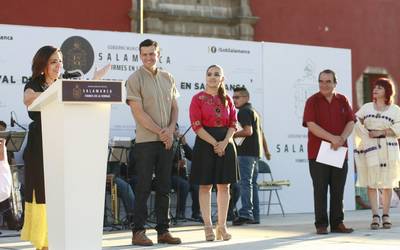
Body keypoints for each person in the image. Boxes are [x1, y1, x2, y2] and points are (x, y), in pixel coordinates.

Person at [20, 45, 109, 250]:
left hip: (65, 146)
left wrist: (94, 82)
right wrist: (56, 90)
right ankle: (44, 243)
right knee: (44, 192)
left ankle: (63, 238)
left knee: (63, 192)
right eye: (53, 61)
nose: (58, 65)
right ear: (43, 65)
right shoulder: (34, 83)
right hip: (40, 146)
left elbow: (81, 102)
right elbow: (28, 99)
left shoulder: (65, 83)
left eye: (60, 61)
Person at [126, 39, 181, 246]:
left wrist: (170, 130)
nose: (149, 57)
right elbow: (138, 113)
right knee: (143, 187)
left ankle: (163, 231)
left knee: (165, 186)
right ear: (140, 56)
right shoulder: (134, 79)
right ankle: (138, 232)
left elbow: (175, 108)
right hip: (146, 142)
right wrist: (161, 132)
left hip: (166, 141)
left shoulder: (169, 77)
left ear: (159, 54)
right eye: (145, 54)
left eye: (152, 53)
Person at [189, 64, 238, 241]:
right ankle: (208, 227)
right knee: (205, 186)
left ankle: (222, 227)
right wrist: (214, 143)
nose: (212, 77)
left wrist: (224, 143)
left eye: (217, 74)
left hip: (226, 144)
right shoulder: (197, 99)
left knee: (224, 186)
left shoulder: (228, 99)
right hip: (205, 144)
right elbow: (196, 125)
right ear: (205, 77)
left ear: (222, 79)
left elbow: (233, 123)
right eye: (209, 74)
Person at [303, 69, 355, 235]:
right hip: (318, 152)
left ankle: (337, 223)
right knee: (320, 189)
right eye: (321, 81)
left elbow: (351, 122)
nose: (324, 85)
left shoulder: (343, 100)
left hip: (339, 151)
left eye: (328, 81)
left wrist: (341, 138)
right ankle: (321, 224)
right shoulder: (312, 101)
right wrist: (333, 138)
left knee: (338, 190)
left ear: (335, 83)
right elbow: (311, 124)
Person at [354, 78, 400, 229]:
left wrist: (381, 132)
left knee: (388, 183)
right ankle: (375, 215)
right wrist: (365, 133)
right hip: (371, 148)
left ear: (387, 91)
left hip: (389, 149)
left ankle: (386, 215)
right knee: (371, 181)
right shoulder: (367, 107)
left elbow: (399, 128)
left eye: (380, 87)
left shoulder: (395, 110)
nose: (375, 90)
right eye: (375, 87)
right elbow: (354, 120)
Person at [232, 86, 271, 225]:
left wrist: (232, 134)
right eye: (233, 97)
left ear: (246, 98)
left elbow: (248, 132)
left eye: (237, 97)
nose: (234, 100)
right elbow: (261, 133)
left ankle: (245, 213)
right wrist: (266, 151)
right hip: (255, 153)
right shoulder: (254, 112)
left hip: (246, 153)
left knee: (245, 183)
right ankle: (255, 216)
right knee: (251, 184)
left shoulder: (243, 112)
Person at [0, 121, 20, 230]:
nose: (1, 132)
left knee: (5, 197)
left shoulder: (5, 143)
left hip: (4, 173)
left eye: (3, 130)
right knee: (4, 198)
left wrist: (14, 166)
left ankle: (12, 222)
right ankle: (12, 222)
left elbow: (11, 159)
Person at [170, 125, 192, 219]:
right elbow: (162, 163)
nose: (176, 132)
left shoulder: (180, 144)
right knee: (184, 185)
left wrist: (185, 144)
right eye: (173, 130)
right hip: (171, 175)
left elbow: (192, 157)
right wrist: (175, 165)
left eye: (177, 129)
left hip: (182, 175)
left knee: (197, 184)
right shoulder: (167, 144)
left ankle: (196, 213)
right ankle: (180, 214)